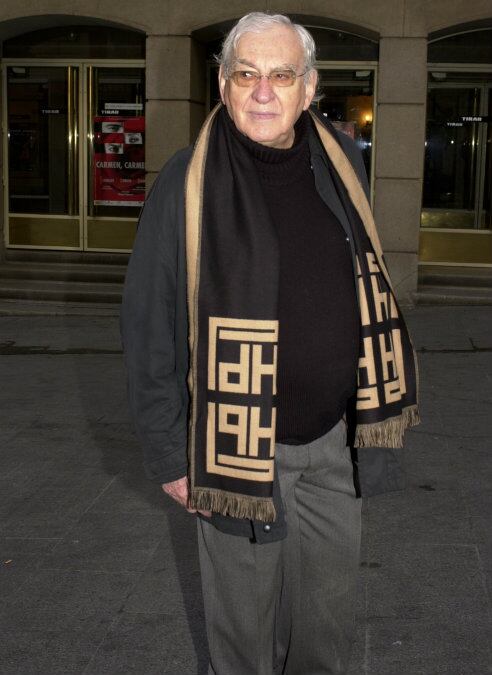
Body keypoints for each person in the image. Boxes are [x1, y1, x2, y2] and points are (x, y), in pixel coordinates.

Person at [121, 12, 419, 675]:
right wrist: (171, 454)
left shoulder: (345, 165)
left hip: (335, 445)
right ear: (223, 85)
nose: (263, 91)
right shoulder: (186, 182)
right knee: (242, 638)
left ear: (307, 87)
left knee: (326, 625)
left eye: (280, 75)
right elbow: (147, 325)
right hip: (235, 453)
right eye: (246, 74)